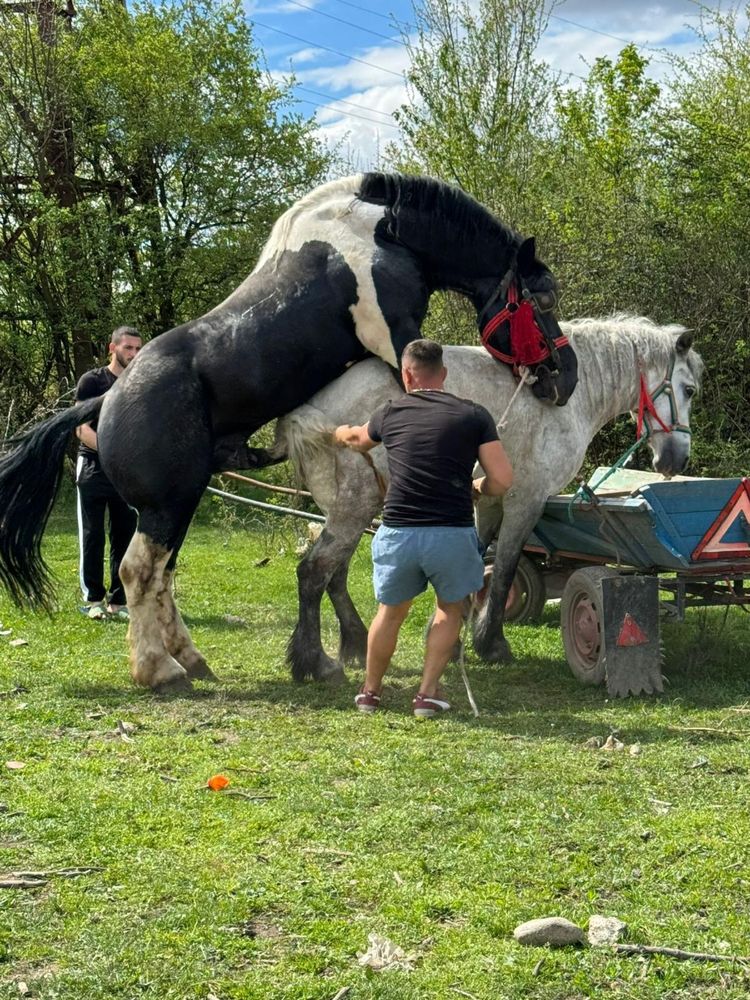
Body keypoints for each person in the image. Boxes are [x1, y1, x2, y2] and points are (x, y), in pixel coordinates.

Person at [334, 339, 513, 718]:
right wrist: (478, 487)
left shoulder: (390, 413)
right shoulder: (474, 415)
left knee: (390, 612)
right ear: (443, 374)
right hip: (451, 532)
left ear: (407, 375)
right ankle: (427, 694)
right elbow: (502, 479)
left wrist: (337, 432)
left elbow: (357, 440)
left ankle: (369, 693)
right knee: (450, 609)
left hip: (399, 531)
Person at [74, 326, 143, 620]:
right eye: (128, 348)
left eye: (138, 349)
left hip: (126, 471)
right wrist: (113, 451)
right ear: (111, 348)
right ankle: (93, 600)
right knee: (92, 535)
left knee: (125, 534)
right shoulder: (92, 381)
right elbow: (81, 428)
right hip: (92, 466)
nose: (134, 354)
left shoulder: (141, 383)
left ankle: (119, 600)